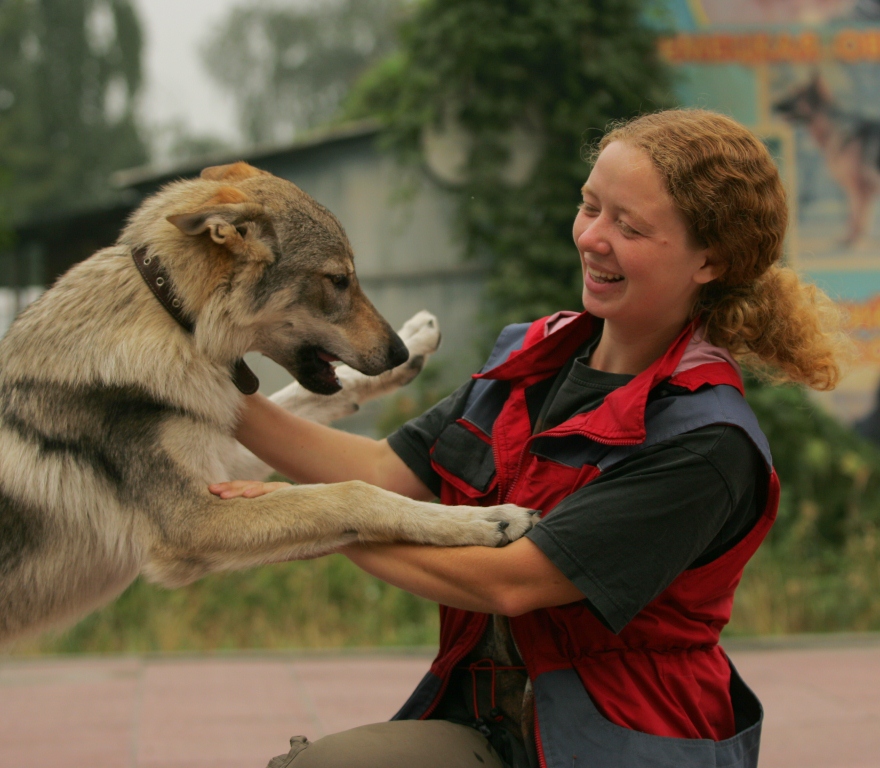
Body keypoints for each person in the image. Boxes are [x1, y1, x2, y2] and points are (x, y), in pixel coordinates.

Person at [210, 109, 847, 768]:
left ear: (709, 259)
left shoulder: (705, 444)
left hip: (617, 745)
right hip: (493, 725)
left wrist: (317, 519)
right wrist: (208, 383)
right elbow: (382, 471)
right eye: (591, 207)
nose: (594, 238)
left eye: (629, 226)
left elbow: (509, 581)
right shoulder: (531, 361)